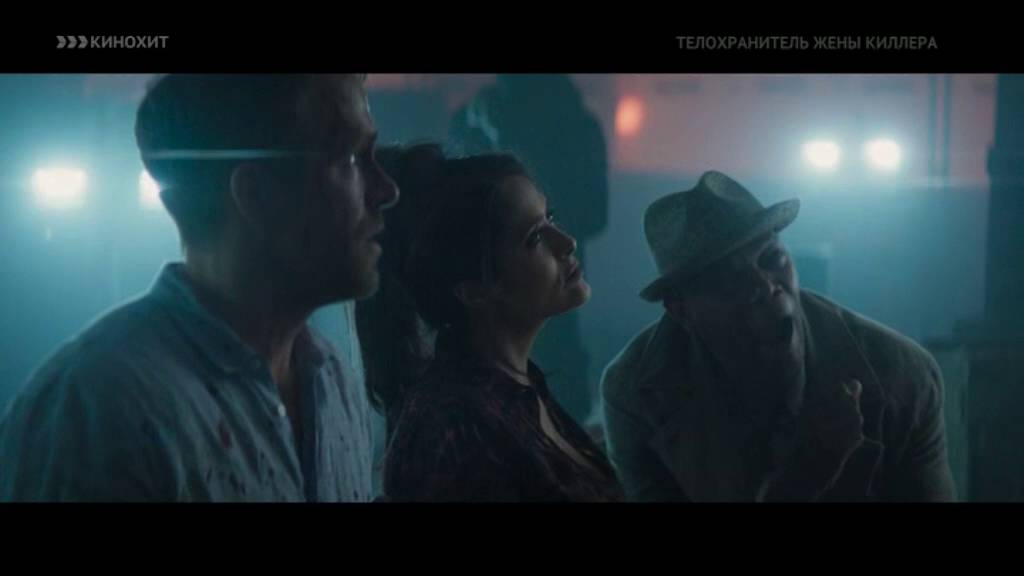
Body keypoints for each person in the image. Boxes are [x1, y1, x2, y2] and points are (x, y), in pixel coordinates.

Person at [0, 74, 399, 501]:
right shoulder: (97, 411)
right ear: (256, 195)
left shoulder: (332, 379)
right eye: (351, 158)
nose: (387, 190)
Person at [602, 170, 957, 502]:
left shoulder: (900, 376)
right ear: (680, 309)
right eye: (727, 278)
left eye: (772, 259)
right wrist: (806, 474)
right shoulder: (635, 393)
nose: (763, 285)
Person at [366, 143, 622, 501]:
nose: (567, 242)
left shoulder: (519, 387)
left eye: (550, 218)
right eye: (534, 237)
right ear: (473, 290)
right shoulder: (454, 425)